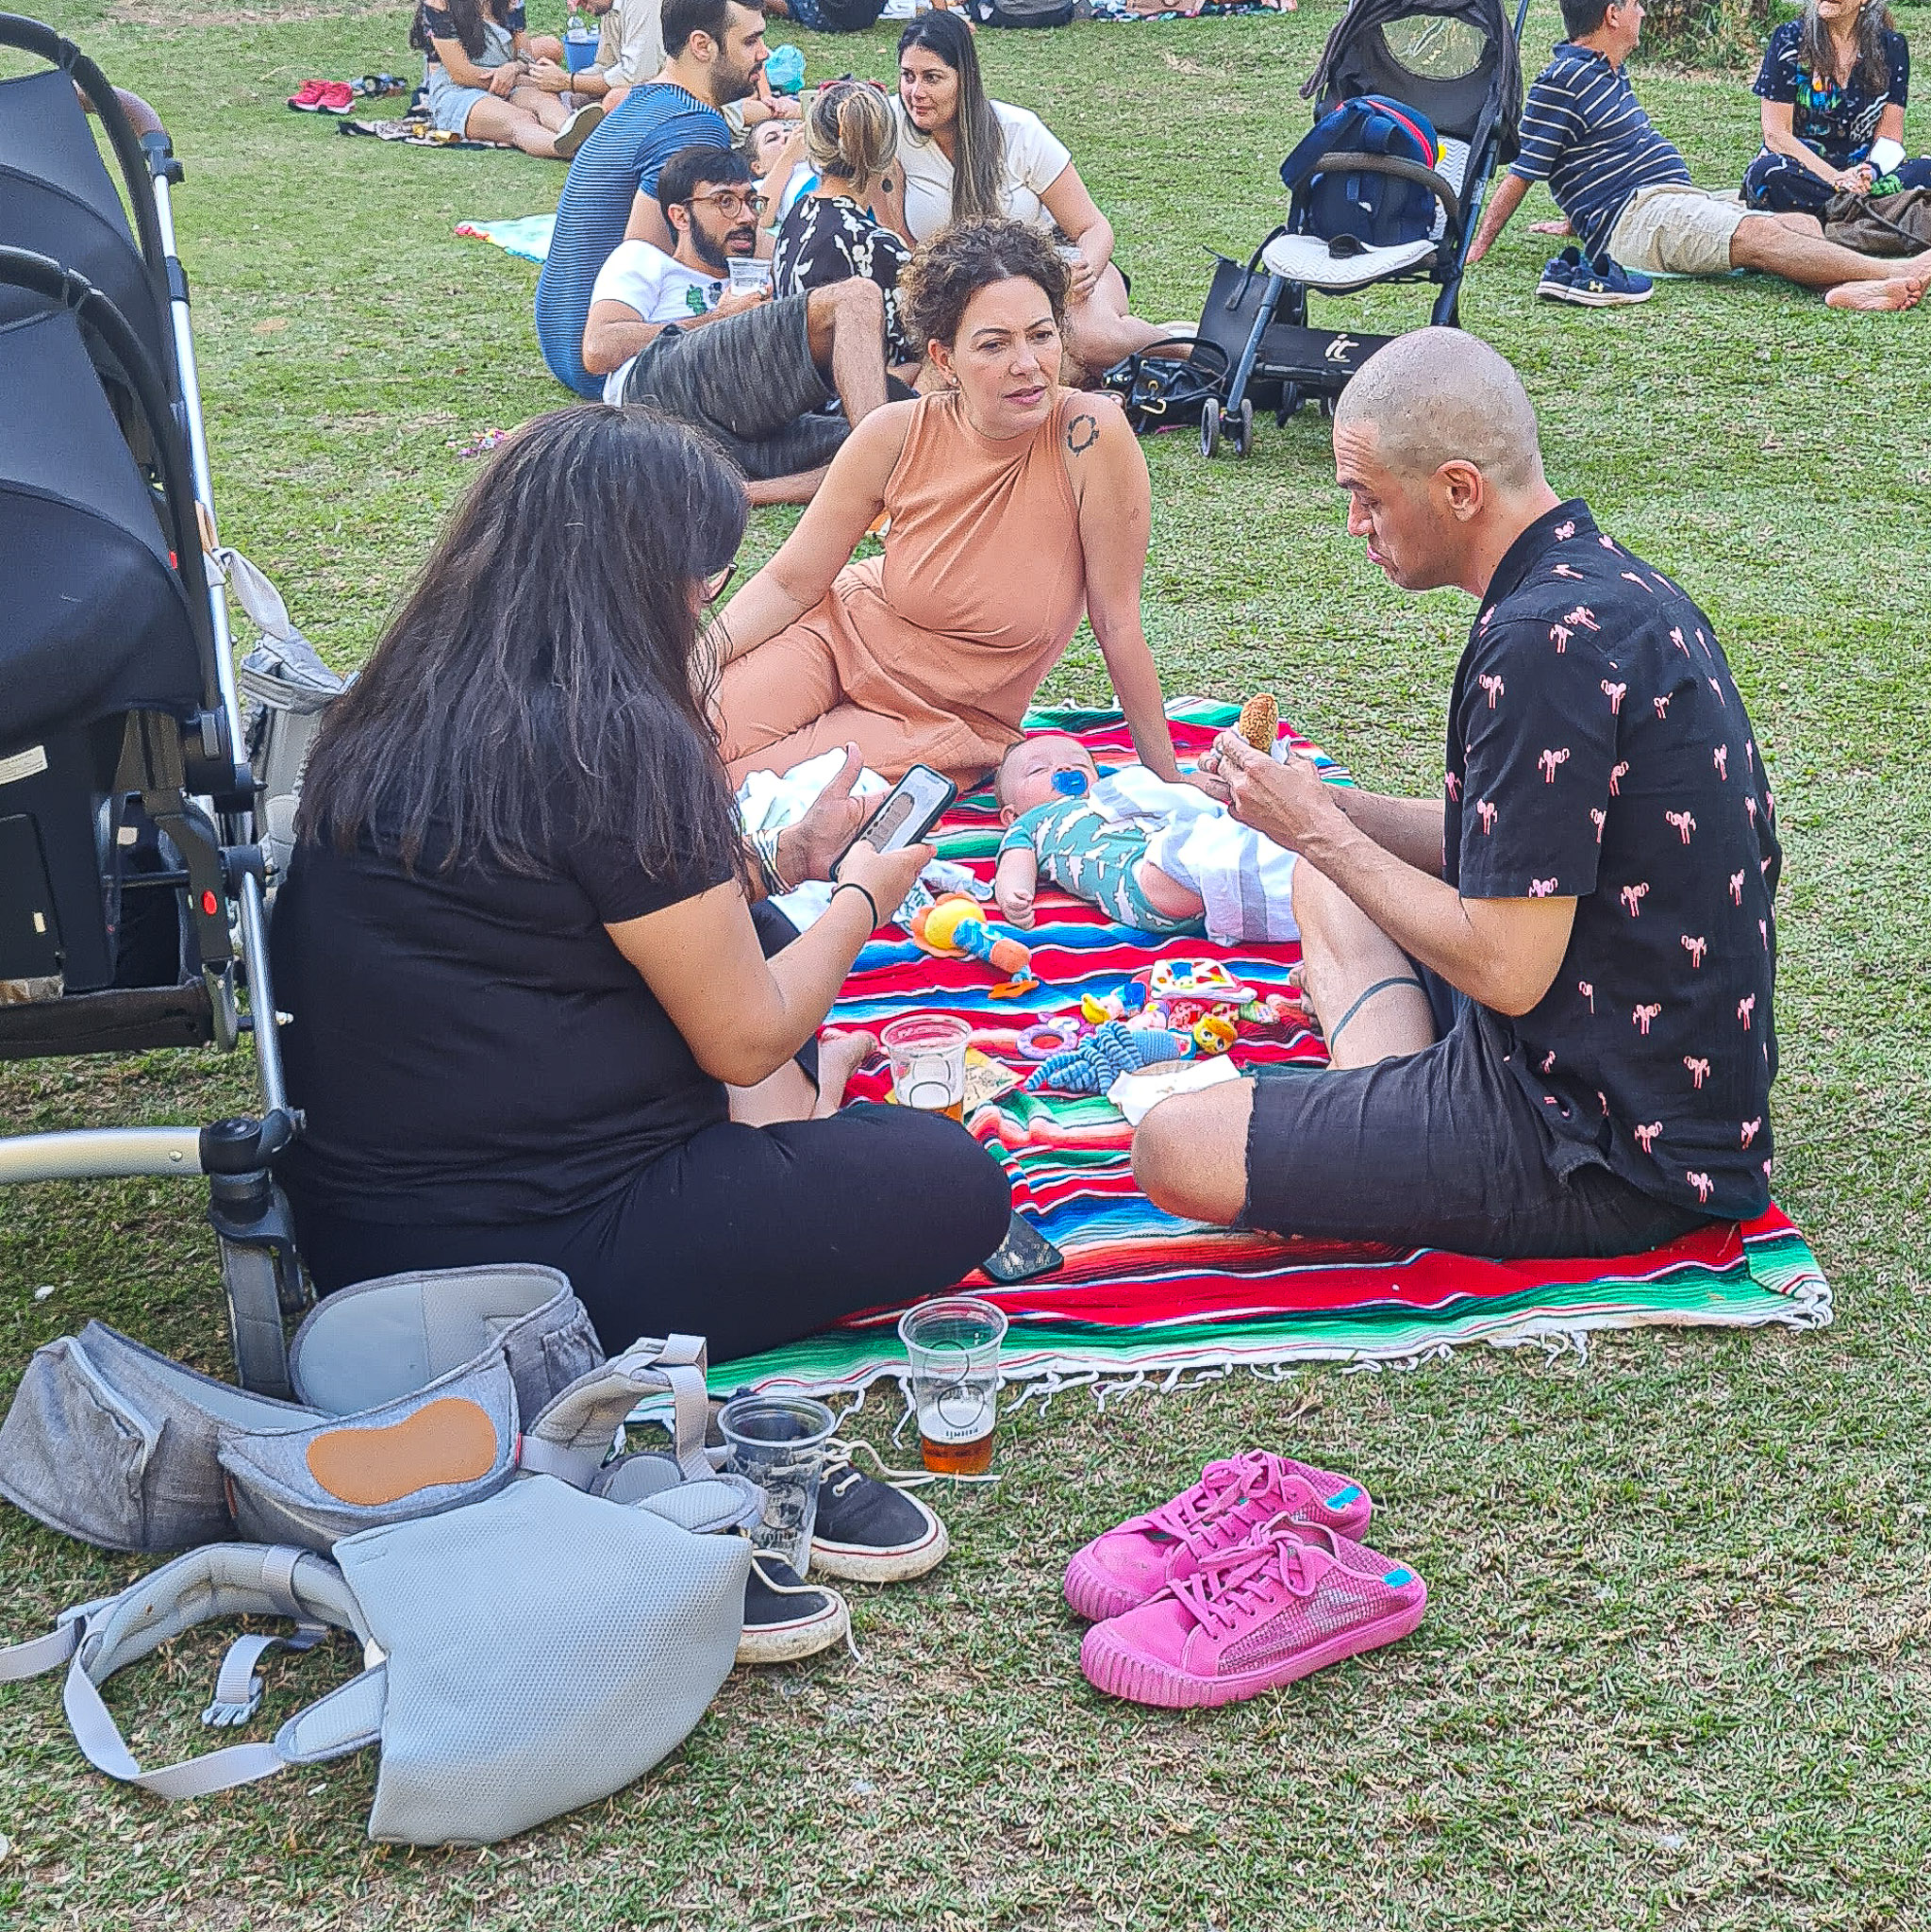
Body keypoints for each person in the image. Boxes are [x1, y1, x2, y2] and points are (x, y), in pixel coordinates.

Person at [270, 406, 1010, 1366]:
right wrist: (865, 894)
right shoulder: (611, 736)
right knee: (950, 1182)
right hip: (526, 1250)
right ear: (646, 577)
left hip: (373, 1225)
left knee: (766, 924)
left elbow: (564, 903)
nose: (707, 602)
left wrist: (786, 862)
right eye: (707, 578)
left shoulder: (416, 690)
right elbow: (744, 1040)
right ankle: (806, 1127)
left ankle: (798, 1123)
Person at [1132, 327, 1782, 1260]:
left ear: (1458, 488)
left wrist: (1319, 832)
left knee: (1171, 1145)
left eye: (1365, 496)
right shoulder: (1613, 585)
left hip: (1601, 1147)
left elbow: (1507, 969)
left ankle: (1389, 1135)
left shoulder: (1537, 642)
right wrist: (1335, 812)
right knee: (1331, 882)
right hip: (1652, 1083)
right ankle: (1393, 1116)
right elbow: (1533, 844)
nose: (1355, 522)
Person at [711, 219, 1189, 791]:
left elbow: (1117, 622)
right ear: (944, 358)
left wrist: (1171, 781)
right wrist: (693, 665)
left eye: (1040, 335)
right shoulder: (896, 432)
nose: (1027, 364)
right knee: (679, 746)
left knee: (723, 789)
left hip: (948, 715)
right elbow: (792, 583)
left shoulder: (1088, 435)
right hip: (838, 636)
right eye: (993, 344)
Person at [1468, 0, 1931, 310]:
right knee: (1759, 233)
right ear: (1612, 14)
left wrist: (1575, 213)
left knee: (1800, 223)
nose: (1643, 13)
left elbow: (1580, 159)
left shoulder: (1605, 71)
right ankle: (1895, 270)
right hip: (1639, 214)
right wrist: (1479, 241)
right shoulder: (1562, 79)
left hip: (1669, 200)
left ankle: (1843, 290)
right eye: (1635, 5)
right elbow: (1525, 170)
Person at [882, 12, 1188, 382]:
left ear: (965, 80)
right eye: (907, 76)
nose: (916, 92)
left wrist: (1081, 274)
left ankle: (1188, 345)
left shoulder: (1018, 132)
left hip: (1053, 267)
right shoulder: (892, 126)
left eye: (932, 78)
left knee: (1092, 340)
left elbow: (1093, 226)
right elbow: (832, 118)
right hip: (965, 291)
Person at [584, 145, 891, 504]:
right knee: (856, 298)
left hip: (728, 428)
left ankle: (743, 493)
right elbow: (598, 349)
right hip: (655, 393)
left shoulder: (761, 265)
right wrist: (717, 319)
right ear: (680, 216)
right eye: (725, 202)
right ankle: (878, 456)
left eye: (750, 202)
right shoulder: (644, 258)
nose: (745, 216)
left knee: (894, 445)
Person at [534, 0, 767, 397]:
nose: (764, 54)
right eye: (750, 41)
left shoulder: (641, 100)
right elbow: (645, 255)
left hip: (559, 332)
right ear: (701, 45)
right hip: (603, 352)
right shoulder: (693, 128)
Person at [993, 735, 1301, 942]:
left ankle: (1290, 869)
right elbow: (1014, 863)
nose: (1063, 768)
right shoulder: (1030, 823)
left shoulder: (1115, 798)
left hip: (1166, 853)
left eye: (1078, 763)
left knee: (1232, 848)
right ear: (1011, 815)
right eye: (1037, 770)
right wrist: (1013, 894)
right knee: (1188, 854)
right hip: (1137, 882)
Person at [774, 80, 920, 377]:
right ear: (888, 151)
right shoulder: (876, 247)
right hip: (856, 408)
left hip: (799, 395)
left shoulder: (797, 214)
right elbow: (915, 345)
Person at [1744, 0, 1929, 215]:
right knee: (1768, 172)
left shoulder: (1892, 47)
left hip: (1862, 174)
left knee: (1925, 170)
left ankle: (1848, 207)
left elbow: (1889, 135)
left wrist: (1868, 172)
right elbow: (1776, 135)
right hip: (1803, 169)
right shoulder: (1789, 39)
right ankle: (1869, 209)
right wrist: (1836, 178)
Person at [412, 0, 604, 157]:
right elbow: (461, 74)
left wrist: (514, 68)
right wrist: (511, 78)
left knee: (545, 100)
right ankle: (571, 151)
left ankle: (571, 129)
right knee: (521, 119)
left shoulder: (511, 3)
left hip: (509, 78)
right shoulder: (439, 4)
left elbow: (525, 57)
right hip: (459, 89)